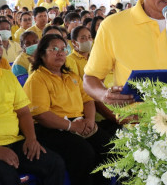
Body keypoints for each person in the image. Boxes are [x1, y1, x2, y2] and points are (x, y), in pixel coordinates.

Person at [0, 25, 65, 185]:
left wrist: (31, 139)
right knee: (8, 177)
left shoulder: (7, 76)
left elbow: (24, 112)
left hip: (15, 142)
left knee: (55, 163)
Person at [23, 34, 111, 185]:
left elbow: (88, 100)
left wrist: (89, 121)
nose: (60, 53)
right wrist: (72, 126)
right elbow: (42, 115)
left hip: (79, 122)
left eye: (64, 49)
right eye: (54, 49)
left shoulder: (71, 75)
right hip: (51, 127)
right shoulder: (37, 78)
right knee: (84, 152)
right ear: (42, 53)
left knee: (109, 145)